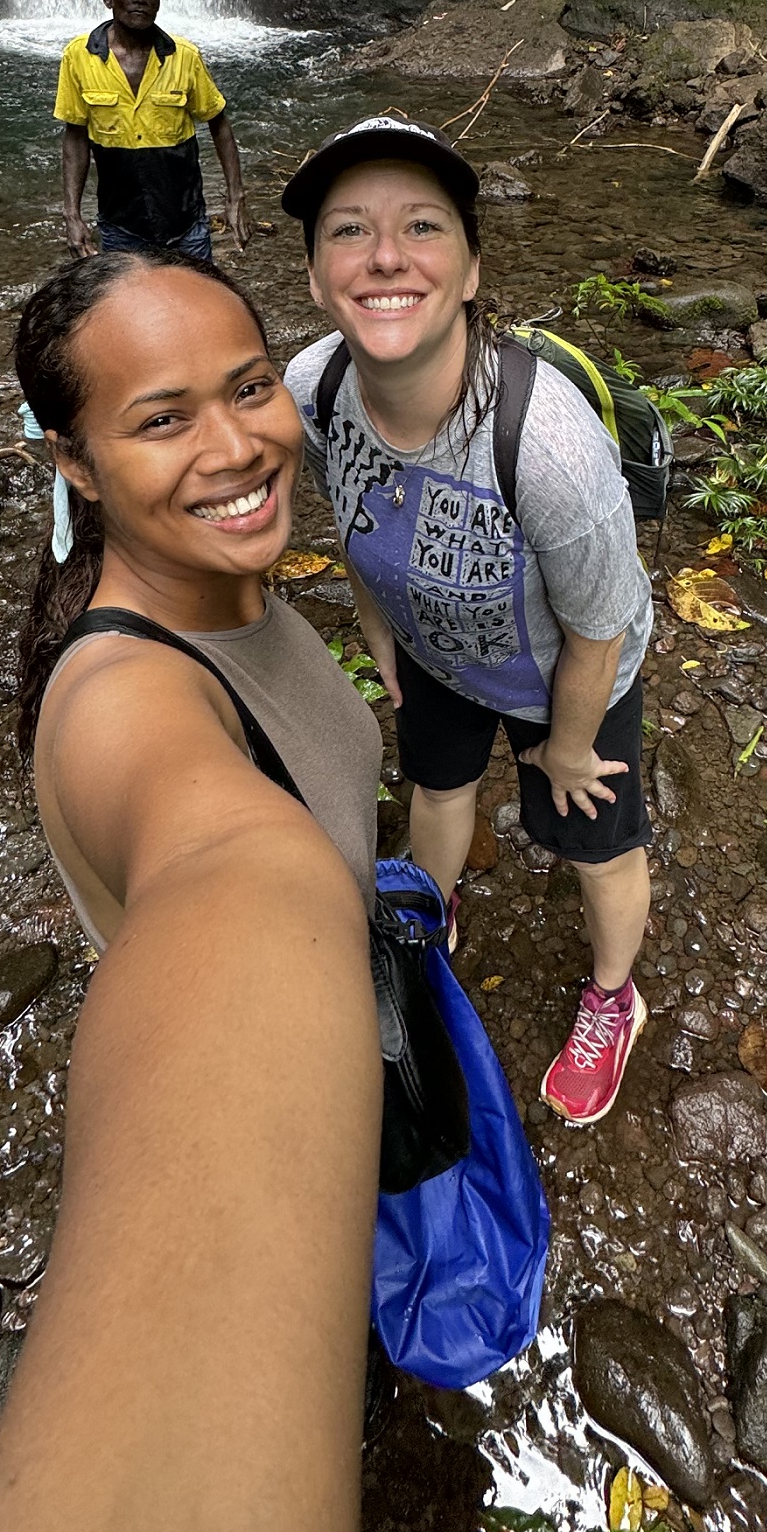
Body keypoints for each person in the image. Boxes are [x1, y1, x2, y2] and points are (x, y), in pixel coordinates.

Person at [0, 249, 381, 1532]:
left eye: (248, 386)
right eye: (160, 418)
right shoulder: (120, 702)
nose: (238, 445)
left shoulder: (220, 587)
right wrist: (297, 903)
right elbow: (230, 880)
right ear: (73, 465)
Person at [283, 117, 656, 1131]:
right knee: (435, 790)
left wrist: (569, 745)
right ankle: (424, 929)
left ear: (473, 268)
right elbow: (349, 512)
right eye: (350, 231)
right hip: (439, 647)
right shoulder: (313, 388)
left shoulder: (546, 447)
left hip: (564, 678)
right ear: (316, 275)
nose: (387, 255)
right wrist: (376, 626)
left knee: (591, 847)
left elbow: (601, 625)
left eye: (423, 227)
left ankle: (612, 997)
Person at [56, 0, 250, 262]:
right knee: (128, 310)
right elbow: (75, 137)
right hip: (121, 227)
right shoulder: (78, 57)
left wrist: (235, 197)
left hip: (186, 225)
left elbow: (219, 123)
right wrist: (72, 215)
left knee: (196, 306)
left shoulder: (184, 57)